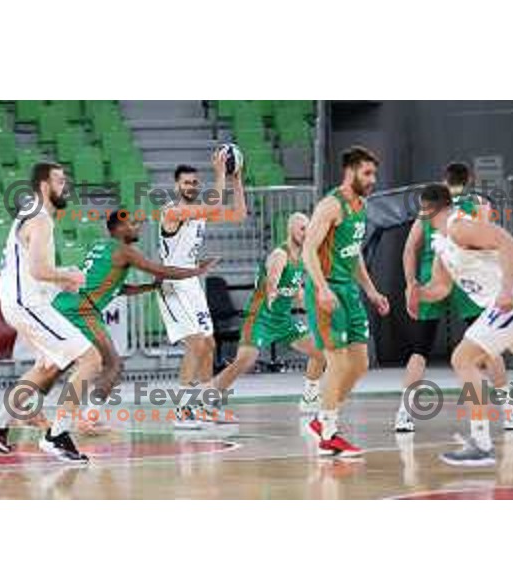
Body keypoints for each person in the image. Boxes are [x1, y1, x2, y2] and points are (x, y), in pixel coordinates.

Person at [51, 210, 218, 428]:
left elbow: (118, 289)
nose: (137, 227)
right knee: (113, 365)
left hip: (64, 306)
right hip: (80, 310)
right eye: (132, 223)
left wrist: (149, 287)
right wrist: (195, 271)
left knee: (54, 366)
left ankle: (15, 413)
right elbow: (158, 269)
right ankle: (85, 418)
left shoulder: (101, 246)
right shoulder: (124, 251)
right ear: (118, 228)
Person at [0, 162, 96, 462]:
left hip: (21, 302)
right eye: (59, 180)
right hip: (26, 304)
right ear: (44, 184)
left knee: (45, 367)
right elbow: (39, 270)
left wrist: (61, 280)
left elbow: (33, 271)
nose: (64, 186)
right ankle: (57, 435)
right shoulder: (40, 219)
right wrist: (68, 276)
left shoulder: (31, 214)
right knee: (90, 359)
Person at [409, 183, 513, 467]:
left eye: (422, 212)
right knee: (467, 359)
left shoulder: (460, 227)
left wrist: (507, 288)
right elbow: (441, 288)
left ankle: (481, 443)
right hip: (500, 308)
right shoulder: (442, 243)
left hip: (509, 301)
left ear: (428, 210)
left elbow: (509, 242)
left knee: (463, 358)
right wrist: (417, 292)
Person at [396, 162, 510, 432]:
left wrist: (411, 284)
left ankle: (405, 413)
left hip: (433, 274)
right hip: (465, 277)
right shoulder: (477, 204)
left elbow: (409, 248)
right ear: (468, 179)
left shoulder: (428, 209)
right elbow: (490, 241)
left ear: (443, 180)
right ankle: (509, 410)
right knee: (488, 347)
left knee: (419, 350)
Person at [302, 146, 390, 457]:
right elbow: (308, 250)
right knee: (338, 363)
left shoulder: (361, 205)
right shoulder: (330, 205)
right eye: (367, 173)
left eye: (374, 173)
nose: (372, 179)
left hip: (350, 292)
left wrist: (371, 290)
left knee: (360, 364)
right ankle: (328, 433)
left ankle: (322, 418)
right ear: (350, 172)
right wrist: (323, 289)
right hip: (326, 292)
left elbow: (354, 256)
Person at [157, 151, 246, 425]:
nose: (191, 187)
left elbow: (240, 214)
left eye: (195, 183)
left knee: (209, 344)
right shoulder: (172, 211)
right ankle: (182, 409)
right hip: (172, 283)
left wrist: (236, 179)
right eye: (186, 183)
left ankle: (206, 406)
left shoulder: (199, 214)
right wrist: (220, 172)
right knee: (196, 344)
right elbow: (212, 206)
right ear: (176, 186)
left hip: (192, 284)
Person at [206, 212, 325, 412]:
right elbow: (273, 278)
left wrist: (317, 308)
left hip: (282, 320)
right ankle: (204, 399)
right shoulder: (281, 254)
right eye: (302, 228)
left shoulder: (302, 259)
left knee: (319, 352)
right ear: (291, 230)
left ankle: (310, 398)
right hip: (260, 317)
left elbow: (296, 291)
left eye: (309, 228)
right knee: (244, 361)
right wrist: (271, 292)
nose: (306, 233)